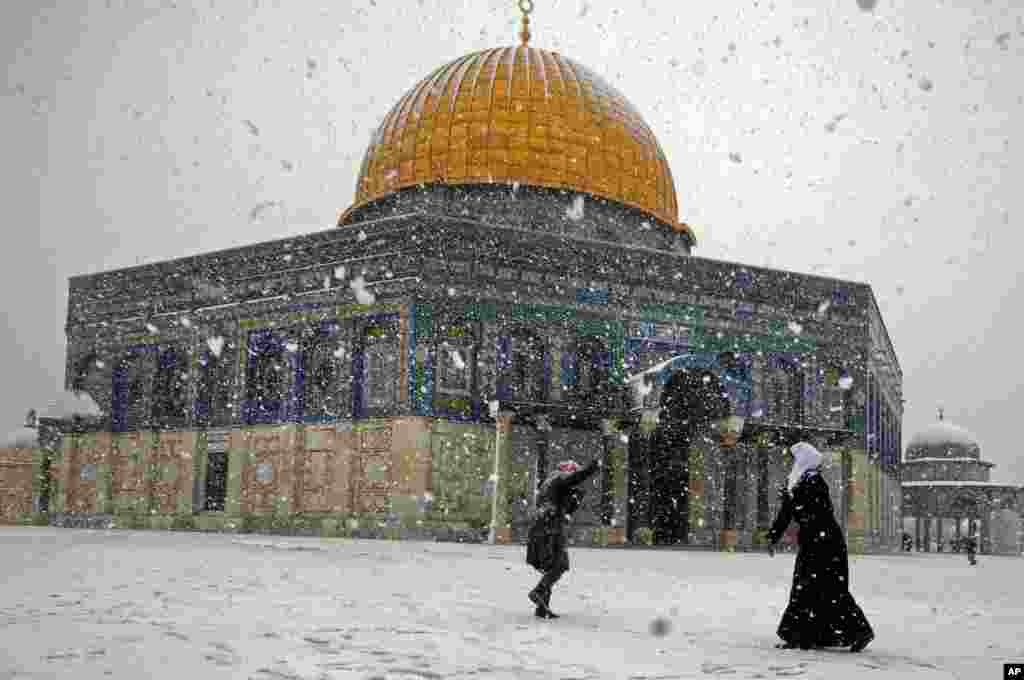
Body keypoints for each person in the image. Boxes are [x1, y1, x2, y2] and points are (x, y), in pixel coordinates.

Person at [767, 442, 875, 652]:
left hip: (825, 545)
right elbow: (787, 513)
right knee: (810, 589)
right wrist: (773, 537)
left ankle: (858, 632)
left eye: (795, 460)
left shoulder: (813, 482)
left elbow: (816, 512)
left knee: (826, 590)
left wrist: (794, 499)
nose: (792, 464)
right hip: (816, 543)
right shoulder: (799, 483)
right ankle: (803, 635)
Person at [525, 458, 601, 619]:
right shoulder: (560, 478)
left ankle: (542, 607)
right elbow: (575, 479)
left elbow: (564, 509)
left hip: (540, 528)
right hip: (551, 528)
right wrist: (592, 466)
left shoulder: (549, 483)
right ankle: (538, 592)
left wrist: (574, 497)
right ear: (568, 471)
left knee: (550, 566)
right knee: (560, 565)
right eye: (573, 471)